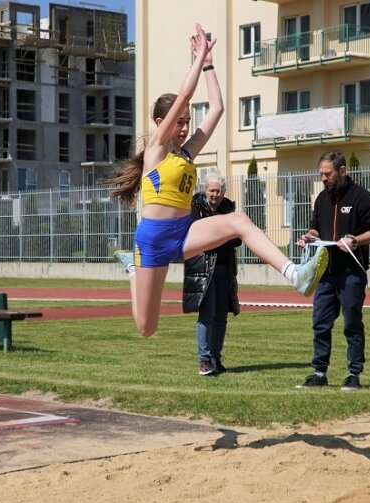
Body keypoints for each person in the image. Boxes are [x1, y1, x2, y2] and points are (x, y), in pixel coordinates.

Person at [107, 23, 327, 338]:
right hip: (152, 240)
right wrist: (196, 59)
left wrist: (209, 64)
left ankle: (297, 275)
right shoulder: (155, 150)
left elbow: (218, 108)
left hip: (184, 232)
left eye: (187, 122)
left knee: (237, 220)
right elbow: (185, 93)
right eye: (179, 122)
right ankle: (132, 268)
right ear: (161, 123)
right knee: (146, 327)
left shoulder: (186, 153)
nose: (184, 129)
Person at [296, 149, 370, 391]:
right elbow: (316, 227)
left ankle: (354, 374)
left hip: (351, 276)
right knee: (320, 324)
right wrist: (310, 237)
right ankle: (319, 373)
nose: (323, 179)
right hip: (325, 274)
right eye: (321, 174)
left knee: (352, 324)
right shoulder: (322, 198)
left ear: (342, 171)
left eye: (327, 174)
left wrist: (355, 241)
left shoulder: (362, 197)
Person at [182, 176, 240, 376]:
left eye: (218, 191)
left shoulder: (228, 208)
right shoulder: (195, 208)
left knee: (222, 316)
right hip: (202, 267)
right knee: (207, 314)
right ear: (205, 190)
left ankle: (216, 357)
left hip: (225, 267)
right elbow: (199, 235)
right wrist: (223, 233)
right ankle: (204, 359)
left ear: (223, 192)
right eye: (212, 191)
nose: (215, 195)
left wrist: (216, 235)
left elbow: (237, 239)